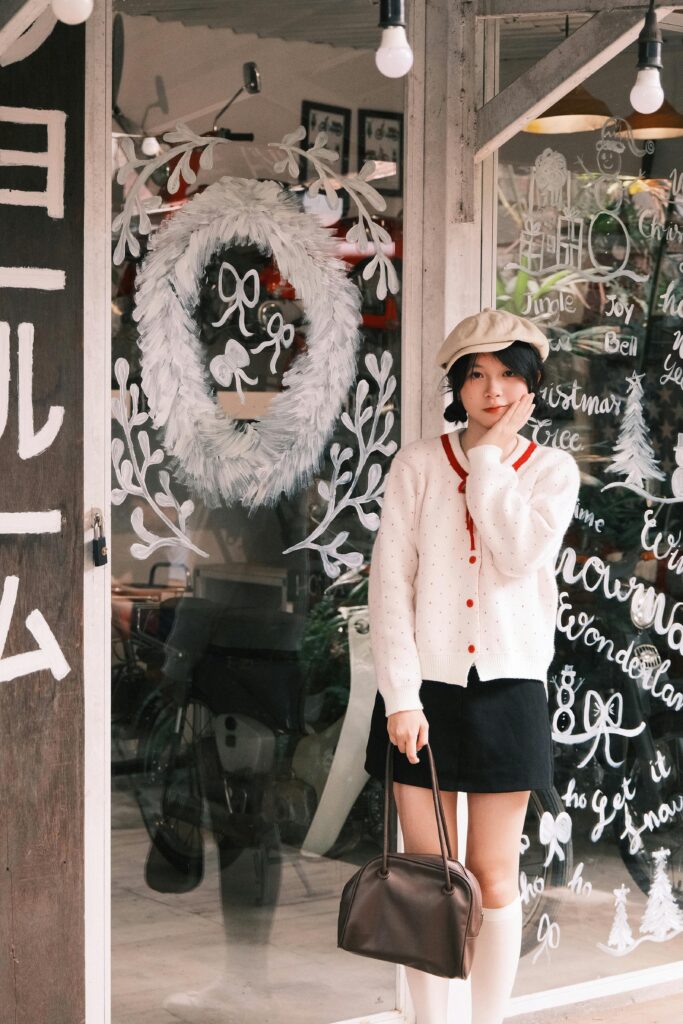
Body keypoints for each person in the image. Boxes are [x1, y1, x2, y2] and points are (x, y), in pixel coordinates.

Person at [364, 308, 580, 1024]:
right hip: (420, 692)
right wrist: (400, 695)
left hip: (509, 690)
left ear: (531, 386)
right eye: (476, 376)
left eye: (509, 375)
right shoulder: (418, 465)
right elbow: (389, 584)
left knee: (491, 875)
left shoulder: (550, 470)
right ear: (454, 387)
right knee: (426, 878)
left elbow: (518, 556)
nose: (492, 392)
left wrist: (489, 460)